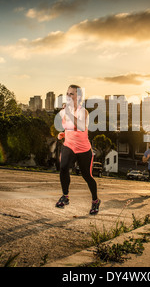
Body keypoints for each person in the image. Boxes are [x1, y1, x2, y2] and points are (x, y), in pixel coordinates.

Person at [55, 84, 101, 215]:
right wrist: (63, 134)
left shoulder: (83, 112)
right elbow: (68, 126)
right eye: (67, 93)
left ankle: (95, 201)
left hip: (83, 149)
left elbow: (81, 127)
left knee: (87, 176)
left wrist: (69, 112)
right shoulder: (64, 111)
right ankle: (65, 196)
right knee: (63, 167)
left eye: (72, 94)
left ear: (78, 96)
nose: (68, 96)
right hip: (69, 145)